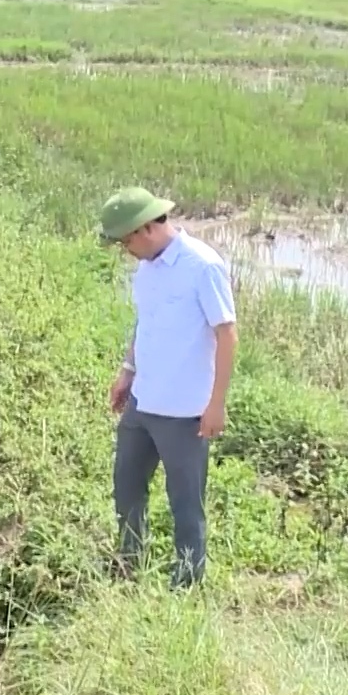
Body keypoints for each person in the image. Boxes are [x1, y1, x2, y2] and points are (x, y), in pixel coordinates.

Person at [98, 187, 237, 587]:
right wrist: (128, 372)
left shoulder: (203, 266)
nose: (126, 250)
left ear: (146, 229)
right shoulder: (148, 269)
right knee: (126, 488)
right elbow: (147, 324)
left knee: (185, 503)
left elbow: (227, 336)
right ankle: (128, 564)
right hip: (143, 402)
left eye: (126, 241)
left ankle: (187, 582)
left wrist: (217, 405)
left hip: (185, 413)